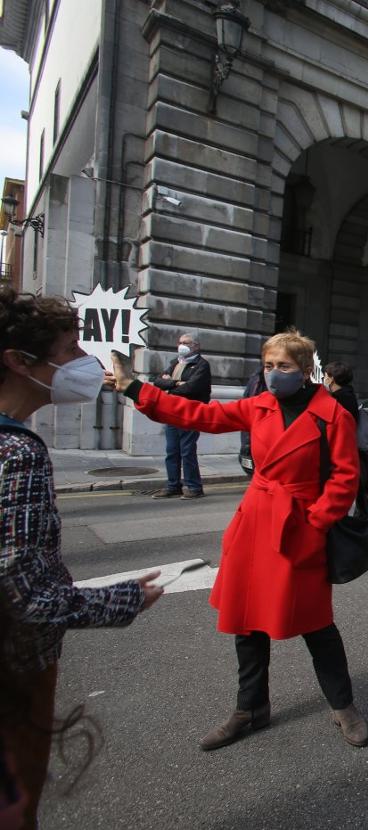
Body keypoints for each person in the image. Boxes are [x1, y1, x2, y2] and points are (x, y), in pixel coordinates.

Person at [108, 329, 368, 749]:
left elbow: (345, 478)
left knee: (317, 625)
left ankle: (343, 705)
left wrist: (316, 524)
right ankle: (250, 709)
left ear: (304, 371)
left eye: (283, 367)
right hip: (254, 524)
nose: (273, 375)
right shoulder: (258, 405)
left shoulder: (332, 413)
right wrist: (135, 388)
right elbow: (200, 415)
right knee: (247, 623)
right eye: (268, 366)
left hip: (300, 527)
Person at [0, 289, 163, 824]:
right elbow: (26, 594)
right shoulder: (17, 453)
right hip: (15, 668)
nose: (83, 362)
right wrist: (124, 599)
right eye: (70, 349)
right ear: (20, 362)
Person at [150, 332, 212, 500]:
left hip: (190, 413)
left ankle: (194, 487)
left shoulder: (201, 365)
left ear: (196, 346)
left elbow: (191, 388)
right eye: (180, 342)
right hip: (172, 412)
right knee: (172, 451)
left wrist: (170, 385)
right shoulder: (175, 363)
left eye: (187, 343)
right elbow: (157, 381)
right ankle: (173, 486)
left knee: (187, 451)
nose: (182, 345)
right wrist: (176, 383)